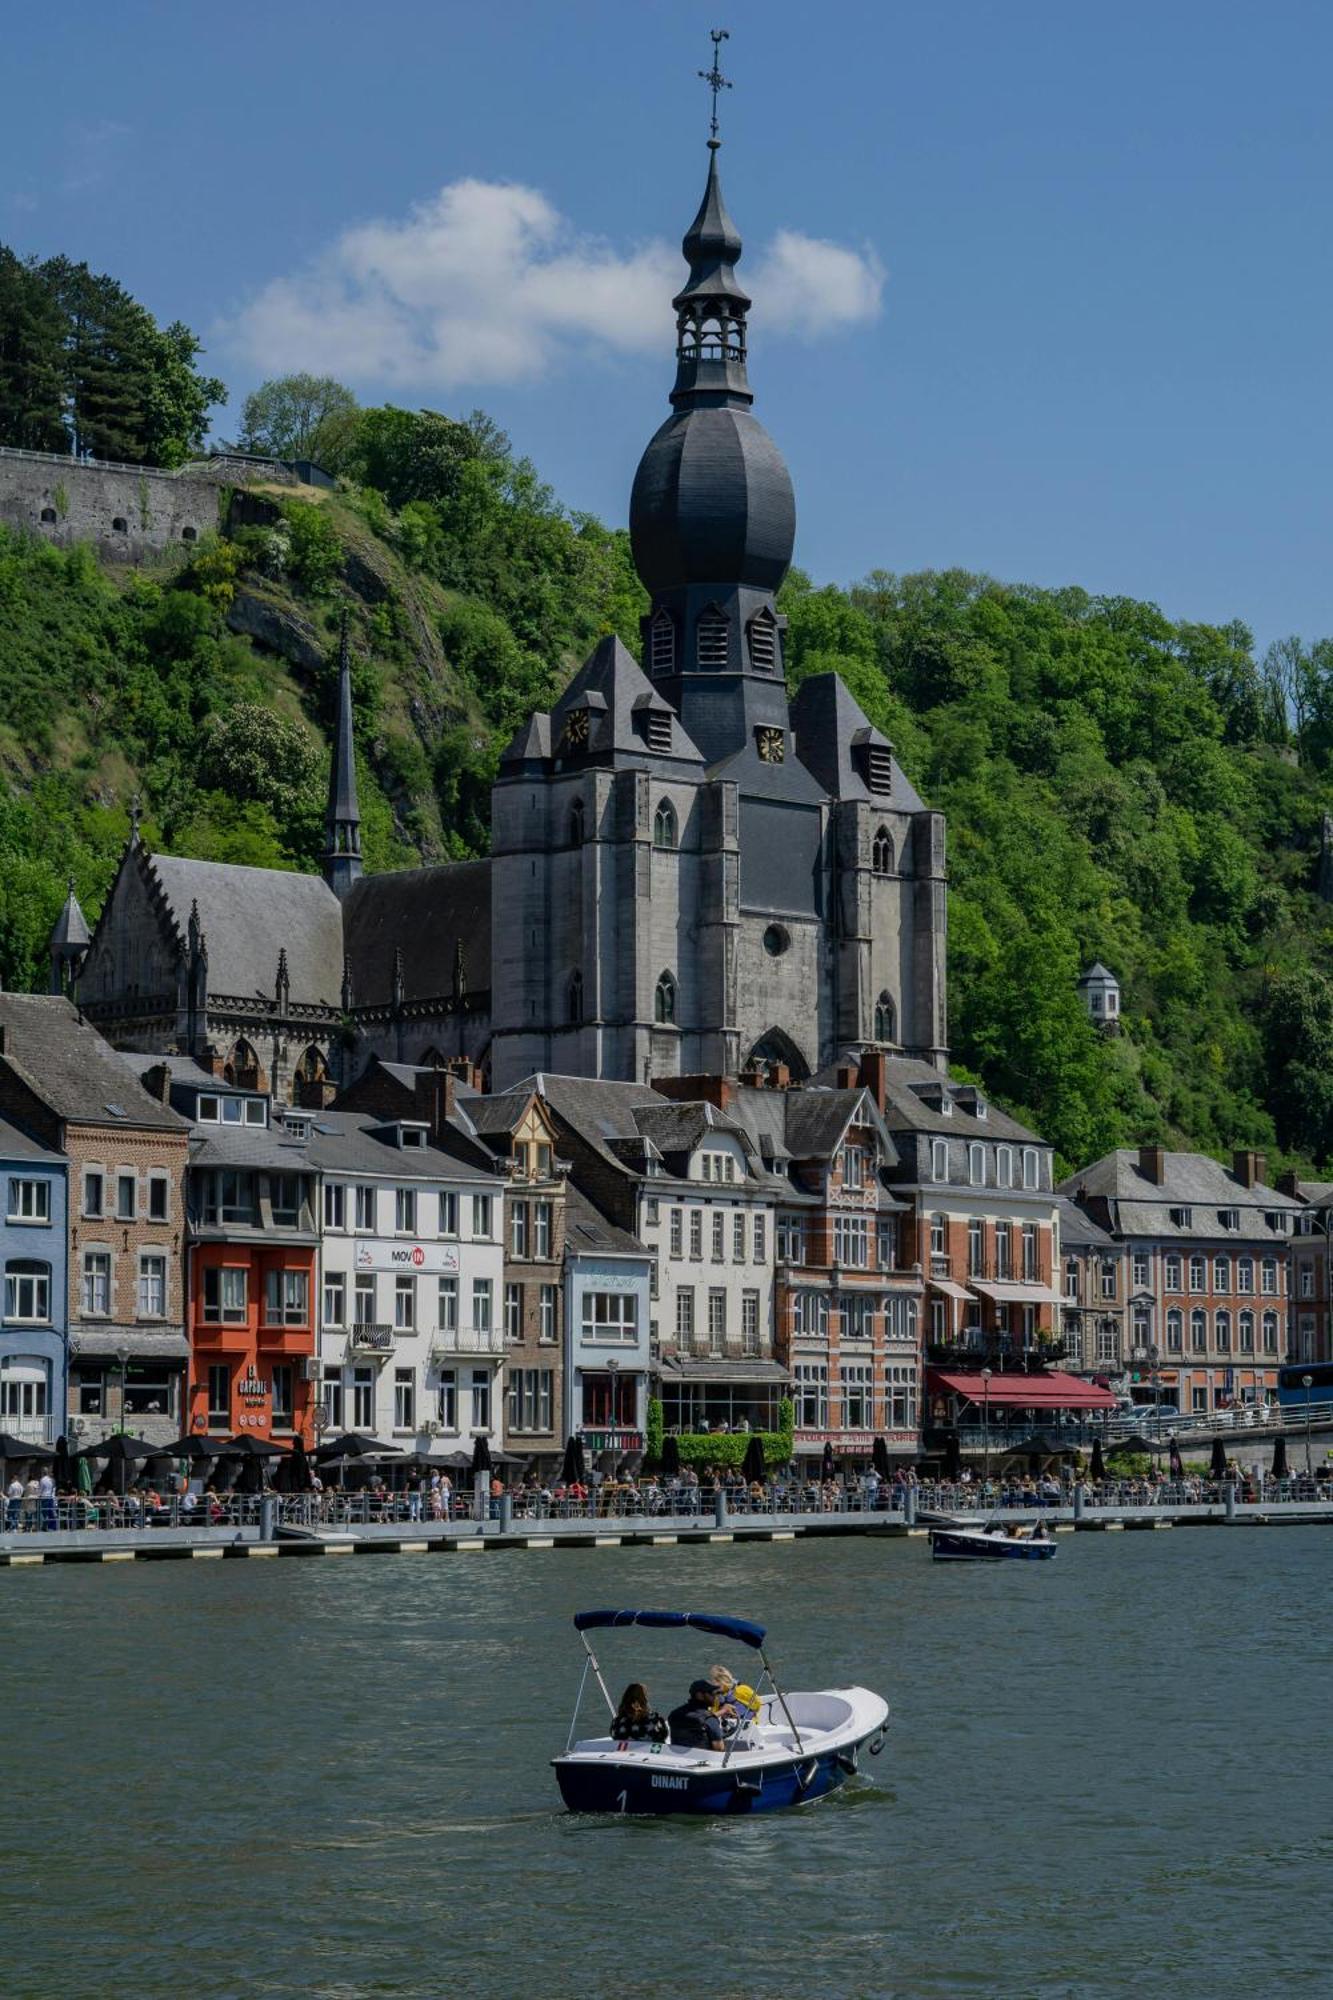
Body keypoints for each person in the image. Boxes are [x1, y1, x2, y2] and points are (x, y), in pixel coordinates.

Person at [667, 1679, 727, 1753]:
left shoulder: (674, 1714)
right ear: (700, 1695)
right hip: (703, 1760)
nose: (716, 1697)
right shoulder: (709, 1719)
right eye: (712, 1694)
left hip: (677, 1757)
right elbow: (719, 1749)